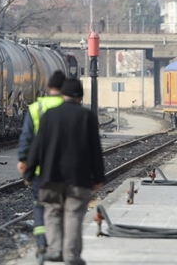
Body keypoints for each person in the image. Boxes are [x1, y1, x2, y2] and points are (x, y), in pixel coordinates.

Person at [24, 78, 105, 265]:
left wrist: (29, 174)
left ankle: (54, 250)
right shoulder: (87, 117)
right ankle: (71, 256)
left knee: (52, 212)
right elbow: (95, 150)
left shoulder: (49, 116)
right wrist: (99, 177)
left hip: (50, 176)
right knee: (74, 214)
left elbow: (37, 147)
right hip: (79, 178)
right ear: (80, 97)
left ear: (63, 95)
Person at [17, 70, 66, 258]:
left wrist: (23, 161)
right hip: (63, 170)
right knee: (59, 206)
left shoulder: (36, 108)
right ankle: (58, 242)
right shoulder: (70, 106)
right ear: (64, 89)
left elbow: (26, 138)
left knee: (40, 205)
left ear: (48, 88)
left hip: (39, 170)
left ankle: (41, 242)